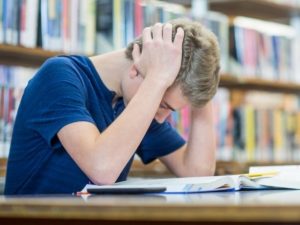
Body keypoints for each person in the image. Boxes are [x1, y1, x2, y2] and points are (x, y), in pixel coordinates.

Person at [4, 18, 220, 194]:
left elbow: (196, 172)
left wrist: (204, 83)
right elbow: (101, 169)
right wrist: (157, 79)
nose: (161, 117)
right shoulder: (60, 76)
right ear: (136, 68)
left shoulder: (133, 103)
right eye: (163, 104)